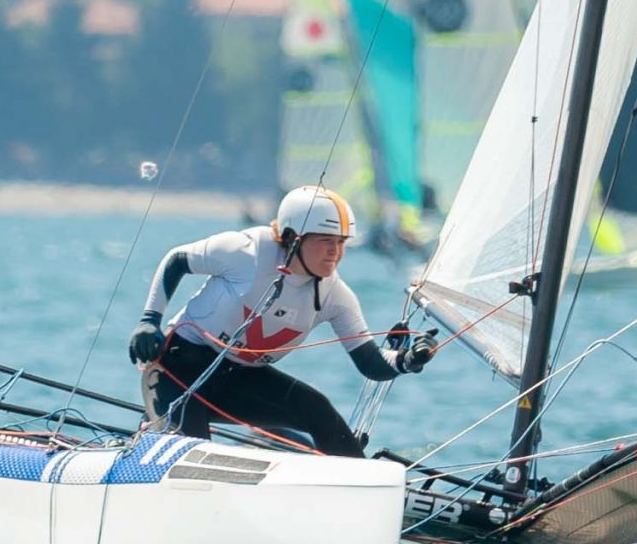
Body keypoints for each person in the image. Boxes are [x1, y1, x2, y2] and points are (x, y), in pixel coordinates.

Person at [127, 184, 436, 457]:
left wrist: (408, 359)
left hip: (240, 381)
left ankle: (364, 487)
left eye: (341, 242)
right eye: (325, 241)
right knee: (195, 456)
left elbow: (371, 363)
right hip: (178, 371)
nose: (335, 252)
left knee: (318, 410)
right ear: (292, 238)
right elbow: (178, 259)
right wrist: (149, 320)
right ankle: (154, 436)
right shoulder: (248, 252)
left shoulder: (335, 296)